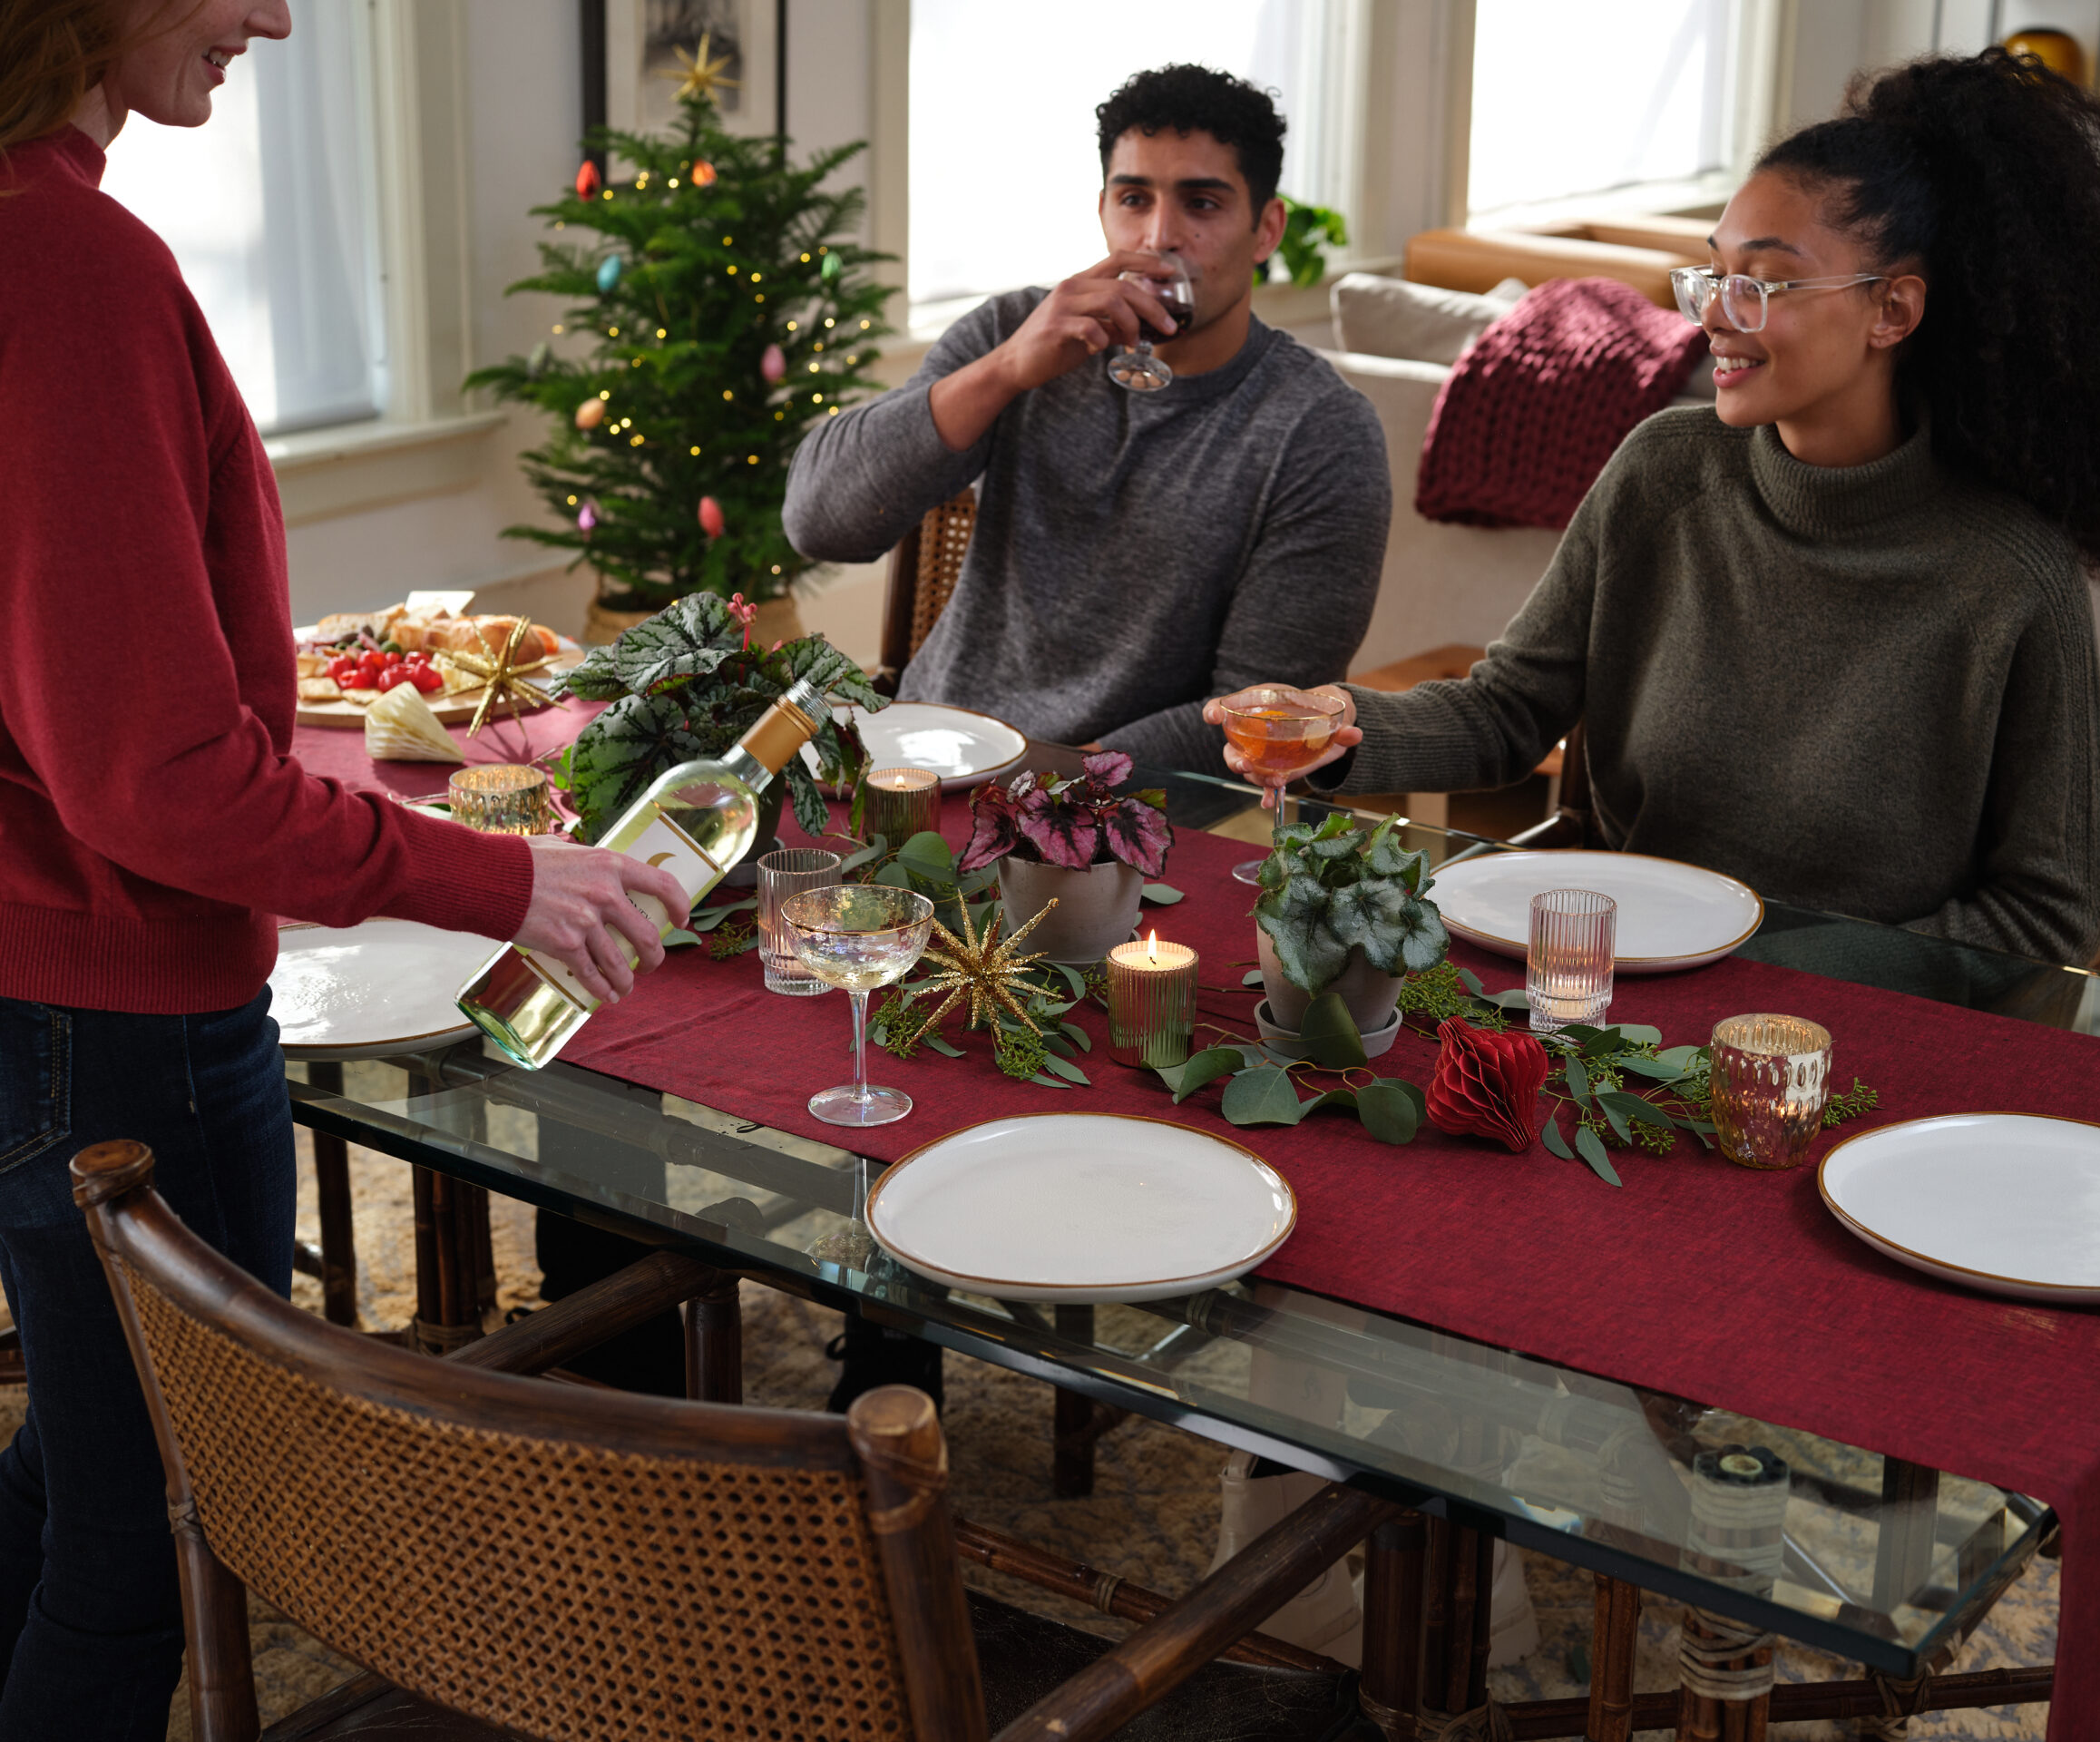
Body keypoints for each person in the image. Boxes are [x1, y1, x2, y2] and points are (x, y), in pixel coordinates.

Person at [0, 4, 693, 1733]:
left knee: (70, 1468)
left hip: (36, 996)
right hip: (121, 1019)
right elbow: (156, 780)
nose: (276, 14)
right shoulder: (67, 261)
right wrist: (506, 883)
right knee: (156, 1537)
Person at [1211, 49, 2100, 969]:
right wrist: (1336, 726)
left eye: (1766, 282)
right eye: (1716, 272)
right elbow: (1508, 711)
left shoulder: (2007, 573)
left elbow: (2049, 914)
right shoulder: (1665, 471)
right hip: (1612, 1004)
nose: (1717, 314)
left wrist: (1782, 979)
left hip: (1853, 1044)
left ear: (1892, 311)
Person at [783, 62, 1392, 780]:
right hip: (923, 762)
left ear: (1266, 230)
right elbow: (817, 524)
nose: (1160, 235)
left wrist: (1035, 789)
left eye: (1202, 204)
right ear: (1103, 210)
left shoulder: (1320, 433)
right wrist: (1006, 370)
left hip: (1121, 813)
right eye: (1135, 198)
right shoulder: (1015, 331)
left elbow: (1255, 717)